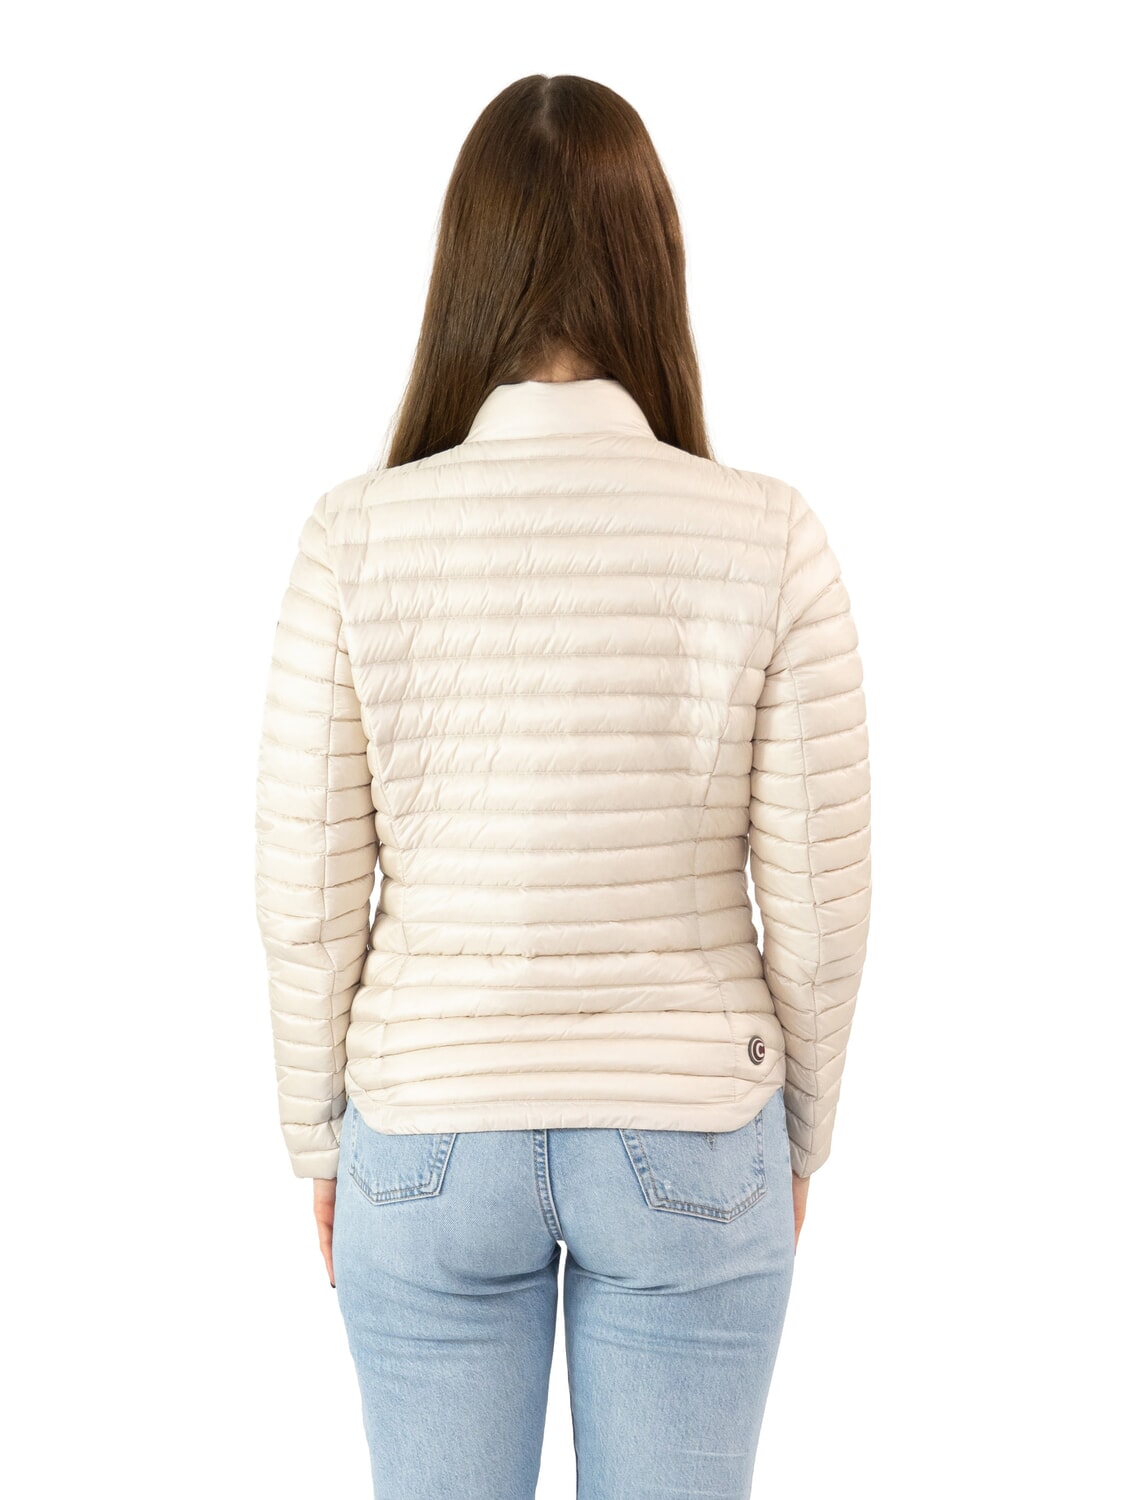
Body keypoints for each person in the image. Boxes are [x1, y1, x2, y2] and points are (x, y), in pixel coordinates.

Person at [254, 72, 871, 1500]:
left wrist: (316, 1136)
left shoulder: (354, 538)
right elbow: (821, 897)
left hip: (426, 1129)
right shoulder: (768, 537)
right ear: (655, 262)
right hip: (690, 1131)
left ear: (464, 266)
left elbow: (307, 894)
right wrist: (801, 1131)